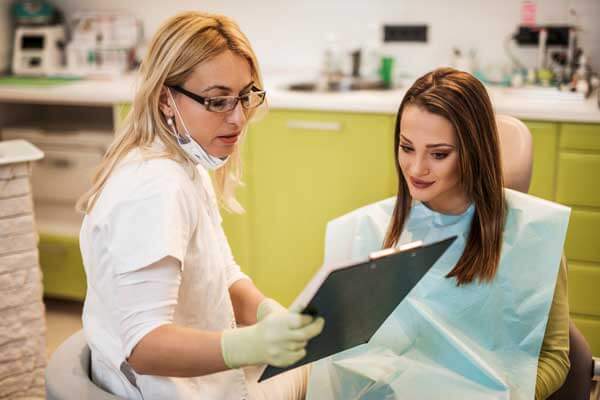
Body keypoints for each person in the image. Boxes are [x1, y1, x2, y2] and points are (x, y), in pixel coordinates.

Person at [76, 11, 323, 400]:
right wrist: (250, 345)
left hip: (199, 375)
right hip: (168, 388)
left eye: (246, 96)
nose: (239, 117)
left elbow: (223, 275)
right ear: (166, 99)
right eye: (218, 101)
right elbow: (145, 347)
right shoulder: (155, 187)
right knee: (341, 374)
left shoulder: (185, 161)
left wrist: (266, 313)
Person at [306, 68, 570, 400]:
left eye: (439, 154)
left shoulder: (531, 235)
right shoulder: (368, 232)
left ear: (474, 151)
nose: (416, 169)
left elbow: (555, 356)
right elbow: (341, 357)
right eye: (407, 147)